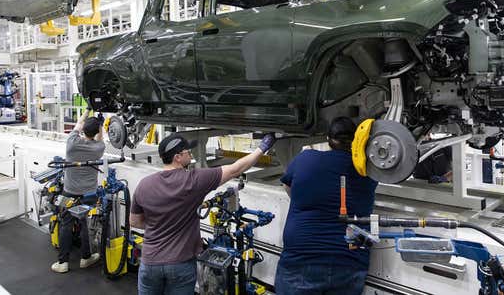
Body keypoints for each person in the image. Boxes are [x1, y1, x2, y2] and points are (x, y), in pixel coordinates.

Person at [129, 132, 277, 295]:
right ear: (177, 157)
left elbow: (134, 222)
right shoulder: (194, 180)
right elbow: (236, 169)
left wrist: (160, 224)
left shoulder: (144, 184)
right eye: (187, 152)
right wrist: (262, 148)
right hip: (181, 264)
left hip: (150, 263)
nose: (190, 154)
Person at [275, 117, 378, 295]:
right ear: (357, 139)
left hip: (301, 259)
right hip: (349, 262)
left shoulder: (305, 159)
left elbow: (288, 186)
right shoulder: (368, 170)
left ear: (329, 140)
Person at [51, 108, 105, 273]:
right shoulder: (98, 148)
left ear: (83, 130)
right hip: (88, 194)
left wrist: (87, 110)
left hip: (70, 192)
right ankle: (85, 258)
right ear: (96, 132)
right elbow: (100, 138)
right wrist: (101, 126)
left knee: (66, 224)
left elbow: (79, 124)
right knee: (84, 224)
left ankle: (63, 263)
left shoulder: (72, 143)